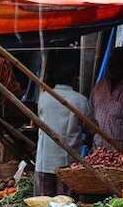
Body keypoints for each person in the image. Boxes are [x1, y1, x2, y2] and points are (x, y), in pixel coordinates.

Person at [35, 65, 91, 196]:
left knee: (44, 202)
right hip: (68, 162)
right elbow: (89, 127)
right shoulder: (80, 100)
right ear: (74, 79)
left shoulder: (44, 98)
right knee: (66, 202)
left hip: (44, 160)